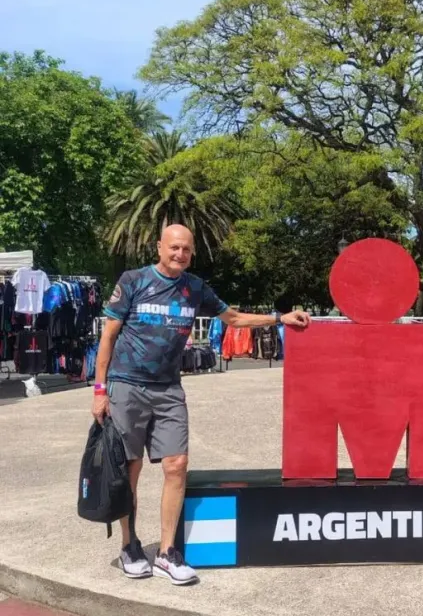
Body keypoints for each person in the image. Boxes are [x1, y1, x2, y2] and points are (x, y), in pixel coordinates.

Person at [92, 224, 310, 585]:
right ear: (159, 246)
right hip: (126, 386)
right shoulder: (132, 281)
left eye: (187, 250)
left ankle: (165, 552)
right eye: (174, 247)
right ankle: (129, 545)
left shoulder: (195, 288)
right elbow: (109, 335)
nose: (180, 254)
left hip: (168, 390)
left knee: (177, 465)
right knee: (130, 469)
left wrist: (278, 318)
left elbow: (234, 318)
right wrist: (100, 389)